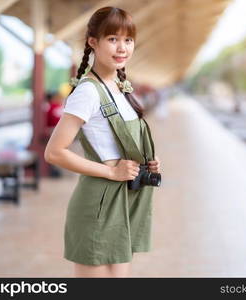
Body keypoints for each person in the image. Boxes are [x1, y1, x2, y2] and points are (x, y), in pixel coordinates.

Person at [44, 6, 161, 278]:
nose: (122, 48)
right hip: (98, 202)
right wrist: (112, 171)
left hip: (123, 199)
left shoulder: (121, 88)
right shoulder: (87, 91)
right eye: (113, 39)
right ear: (93, 42)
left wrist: (147, 161)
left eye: (128, 40)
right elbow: (54, 152)